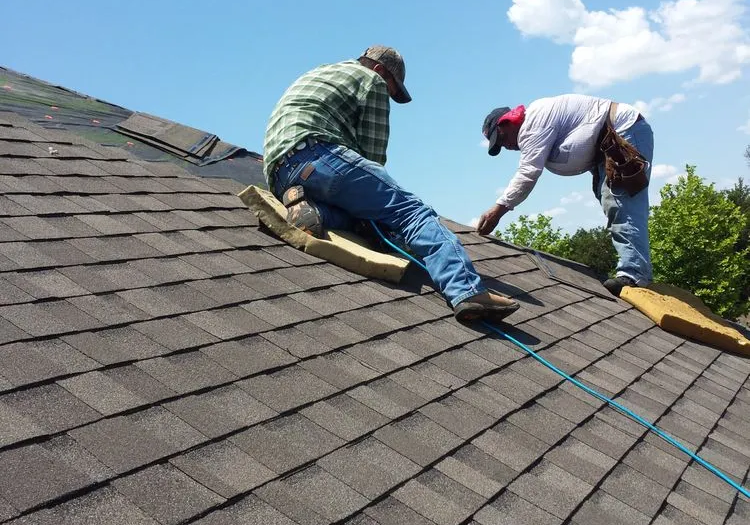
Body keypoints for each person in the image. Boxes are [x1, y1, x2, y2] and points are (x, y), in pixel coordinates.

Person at [263, 46, 519, 324]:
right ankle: (466, 290)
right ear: (380, 70)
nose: (388, 95)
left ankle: (316, 212)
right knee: (410, 212)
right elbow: (372, 155)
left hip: (280, 172)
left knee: (359, 220)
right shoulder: (370, 79)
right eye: (391, 89)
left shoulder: (320, 71)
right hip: (319, 152)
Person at [475, 96, 654, 295]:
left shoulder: (533, 123)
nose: (506, 146)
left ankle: (634, 275)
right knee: (613, 201)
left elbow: (528, 172)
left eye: (501, 138)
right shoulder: (536, 119)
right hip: (610, 141)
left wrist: (498, 210)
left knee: (621, 201)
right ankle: (634, 268)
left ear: (507, 122)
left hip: (622, 131)